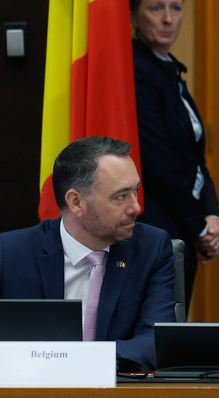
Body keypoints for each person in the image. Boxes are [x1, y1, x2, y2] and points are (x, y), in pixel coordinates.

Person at [0, 137, 176, 371]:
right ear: (76, 202)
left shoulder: (152, 248)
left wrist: (79, 361)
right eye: (121, 196)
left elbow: (155, 340)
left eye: (136, 191)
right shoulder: (10, 253)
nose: (136, 207)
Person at [130, 0, 219, 312]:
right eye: (156, 9)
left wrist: (212, 216)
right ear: (133, 16)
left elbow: (194, 157)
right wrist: (199, 226)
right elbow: (159, 166)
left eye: (176, 7)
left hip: (183, 220)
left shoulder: (170, 69)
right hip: (157, 225)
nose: (169, 18)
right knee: (161, 330)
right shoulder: (137, 70)